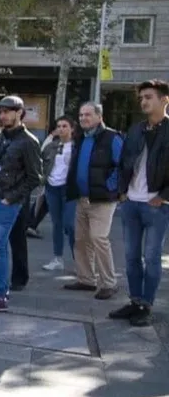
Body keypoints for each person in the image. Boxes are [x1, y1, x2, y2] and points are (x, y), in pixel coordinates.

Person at [0, 95, 42, 312]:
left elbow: (35, 178)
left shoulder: (29, 142)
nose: (2, 116)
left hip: (8, 203)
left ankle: (0, 295)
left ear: (19, 112)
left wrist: (10, 198)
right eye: (0, 112)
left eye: (7, 111)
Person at [111, 79, 169, 326]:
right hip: (131, 203)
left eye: (149, 97)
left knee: (152, 257)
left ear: (164, 99)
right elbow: (124, 161)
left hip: (156, 205)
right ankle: (135, 301)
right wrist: (122, 192)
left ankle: (146, 305)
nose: (144, 101)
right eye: (142, 98)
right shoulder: (136, 129)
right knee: (131, 256)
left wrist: (163, 196)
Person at [64, 102, 122, 299]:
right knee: (81, 241)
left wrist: (109, 187)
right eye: (80, 115)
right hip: (82, 199)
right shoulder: (80, 138)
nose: (83, 119)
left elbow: (121, 167)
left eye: (87, 115)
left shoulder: (112, 138)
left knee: (99, 239)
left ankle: (109, 283)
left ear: (99, 116)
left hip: (102, 201)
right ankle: (86, 280)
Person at [39, 116, 77, 272]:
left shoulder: (77, 147)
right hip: (52, 186)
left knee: (70, 224)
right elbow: (41, 161)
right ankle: (57, 258)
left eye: (65, 126)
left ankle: (79, 260)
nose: (61, 129)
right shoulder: (51, 146)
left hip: (69, 189)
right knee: (57, 224)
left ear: (72, 129)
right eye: (59, 126)